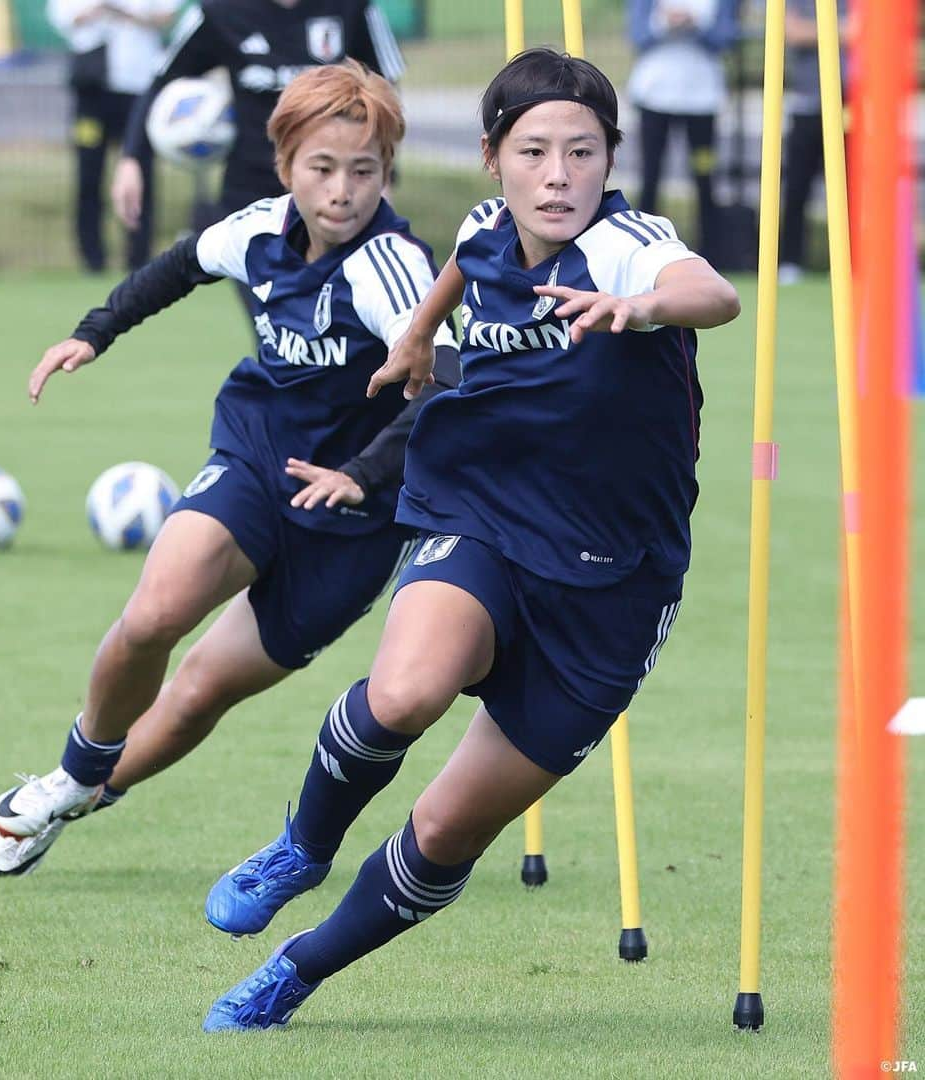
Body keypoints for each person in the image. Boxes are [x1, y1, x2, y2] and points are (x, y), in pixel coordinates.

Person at [199, 47, 740, 1033]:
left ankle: (300, 968)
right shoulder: (492, 224)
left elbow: (712, 290)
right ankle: (301, 847)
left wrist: (646, 303)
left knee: (445, 829)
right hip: (482, 514)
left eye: (583, 152)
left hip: (613, 584)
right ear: (493, 156)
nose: (559, 174)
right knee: (405, 689)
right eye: (534, 151)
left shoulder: (626, 246)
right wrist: (414, 336)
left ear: (610, 159)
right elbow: (463, 260)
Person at [0, 61, 459, 878]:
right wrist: (93, 332)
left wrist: (364, 473)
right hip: (257, 454)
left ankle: (80, 799)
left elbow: (450, 385)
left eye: (363, 171)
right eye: (322, 168)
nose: (341, 191)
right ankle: (76, 767)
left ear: (388, 172)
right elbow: (179, 266)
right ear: (285, 166)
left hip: (354, 522)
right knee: (156, 611)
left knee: (202, 688)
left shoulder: (393, 269)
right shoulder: (259, 229)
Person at [112, 0, 405, 317]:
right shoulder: (219, 11)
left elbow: (386, 91)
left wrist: (386, 174)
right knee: (277, 326)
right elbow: (162, 82)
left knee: (342, 323)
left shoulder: (352, 7)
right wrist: (131, 160)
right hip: (250, 195)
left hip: (334, 195)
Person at [47, 0, 180, 272]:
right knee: (88, 173)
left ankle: (139, 257)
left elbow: (166, 17)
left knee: (141, 172)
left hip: (138, 87)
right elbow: (67, 19)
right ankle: (92, 258)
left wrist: (123, 13)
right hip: (93, 89)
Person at [626, 0, 739, 265]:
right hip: (654, 96)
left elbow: (725, 37)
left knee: (704, 177)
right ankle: (641, 252)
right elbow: (638, 34)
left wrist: (695, 25)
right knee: (651, 175)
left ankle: (711, 253)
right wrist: (666, 23)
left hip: (702, 99)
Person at [778, 0, 850, 285]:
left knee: (850, 188)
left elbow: (869, 33)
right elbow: (793, 32)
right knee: (797, 187)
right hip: (808, 103)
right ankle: (791, 260)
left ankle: (850, 261)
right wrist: (841, 31)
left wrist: (817, 32)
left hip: (852, 102)